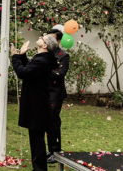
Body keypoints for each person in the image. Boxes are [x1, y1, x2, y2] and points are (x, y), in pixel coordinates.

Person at [11, 34, 60, 171]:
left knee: (37, 140)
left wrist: (15, 57)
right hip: (37, 103)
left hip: (37, 105)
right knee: (36, 139)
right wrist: (22, 56)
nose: (40, 37)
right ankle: (38, 168)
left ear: (45, 46)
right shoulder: (42, 59)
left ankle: (39, 169)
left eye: (43, 38)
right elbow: (30, 71)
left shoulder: (42, 61)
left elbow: (23, 72)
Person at [45, 26, 70, 163]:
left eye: (52, 39)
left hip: (55, 93)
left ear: (59, 41)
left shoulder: (63, 56)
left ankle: (55, 151)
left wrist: (45, 69)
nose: (49, 41)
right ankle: (49, 150)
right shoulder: (43, 53)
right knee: (45, 121)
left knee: (53, 122)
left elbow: (60, 75)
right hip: (43, 92)